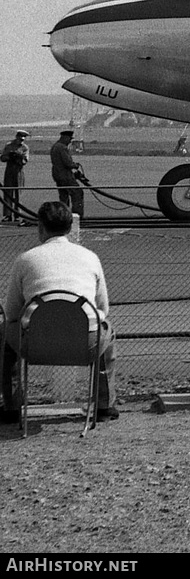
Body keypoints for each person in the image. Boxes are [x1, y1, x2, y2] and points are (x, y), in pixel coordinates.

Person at [2, 201, 118, 423]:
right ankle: (104, 405)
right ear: (69, 228)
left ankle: (10, 406)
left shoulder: (25, 259)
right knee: (106, 331)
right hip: (85, 345)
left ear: (41, 228)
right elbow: (103, 309)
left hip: (34, 345)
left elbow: (12, 313)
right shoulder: (90, 257)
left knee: (3, 334)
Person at [49, 130, 86, 222]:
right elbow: (67, 163)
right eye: (69, 139)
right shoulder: (62, 148)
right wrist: (75, 165)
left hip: (57, 175)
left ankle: (63, 217)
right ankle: (76, 217)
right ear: (65, 137)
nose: (70, 141)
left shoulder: (55, 146)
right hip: (65, 176)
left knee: (63, 196)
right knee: (77, 193)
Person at [2, 130, 28, 223]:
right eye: (20, 138)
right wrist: (9, 156)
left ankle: (17, 214)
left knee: (18, 194)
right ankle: (7, 215)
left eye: (23, 139)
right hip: (9, 171)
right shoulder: (9, 146)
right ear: (16, 137)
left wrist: (18, 157)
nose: (21, 140)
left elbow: (25, 161)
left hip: (19, 171)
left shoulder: (25, 148)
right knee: (8, 193)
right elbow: (3, 158)